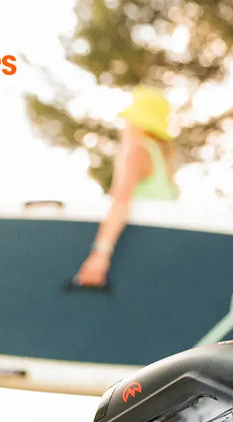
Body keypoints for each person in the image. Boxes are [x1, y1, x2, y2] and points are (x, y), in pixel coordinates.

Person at [74, 86, 179, 287]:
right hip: (157, 253)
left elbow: (121, 201)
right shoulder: (164, 161)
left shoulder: (137, 150)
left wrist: (100, 253)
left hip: (132, 248)